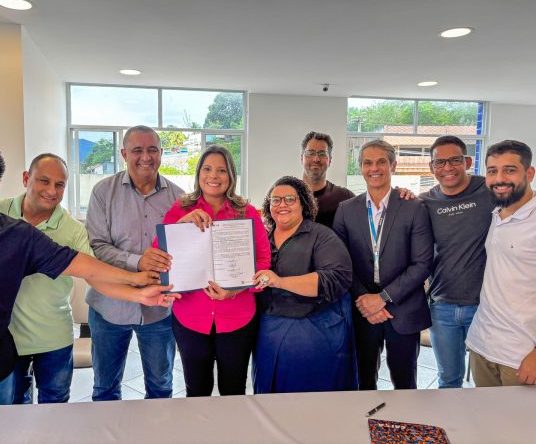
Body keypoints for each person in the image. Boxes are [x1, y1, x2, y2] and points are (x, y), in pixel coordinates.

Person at [0, 139, 176, 406]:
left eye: (59, 184)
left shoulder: (16, 232)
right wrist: (136, 274)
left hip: (15, 353)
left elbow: (88, 269)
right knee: (18, 405)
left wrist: (138, 286)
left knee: (48, 406)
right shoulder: (3, 213)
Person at [159, 145, 271, 396]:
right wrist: (180, 226)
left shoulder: (247, 213)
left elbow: (263, 260)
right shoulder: (181, 210)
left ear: (230, 175)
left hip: (238, 318)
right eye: (207, 169)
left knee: (233, 390)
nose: (213, 176)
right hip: (190, 318)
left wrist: (237, 289)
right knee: (197, 390)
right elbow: (160, 255)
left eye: (221, 170)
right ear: (198, 173)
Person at [85, 125, 184, 400]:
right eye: (137, 150)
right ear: (123, 153)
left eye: (152, 150)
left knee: (161, 386)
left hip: (159, 310)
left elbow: (185, 250)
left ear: (161, 153)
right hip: (109, 307)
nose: (146, 157)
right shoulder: (103, 192)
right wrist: (138, 262)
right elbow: (97, 247)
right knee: (105, 388)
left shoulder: (179, 198)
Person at [0, 153, 94, 404]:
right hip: (6, 338)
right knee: (13, 404)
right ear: (26, 178)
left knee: (55, 404)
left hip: (54, 336)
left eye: (59, 185)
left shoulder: (73, 229)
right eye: (44, 181)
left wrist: (138, 285)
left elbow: (94, 272)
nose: (51, 191)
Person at [333, 139, 433, 390]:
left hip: (404, 307)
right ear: (361, 168)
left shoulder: (414, 207)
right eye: (367, 163)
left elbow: (422, 263)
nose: (374, 168)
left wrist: (383, 298)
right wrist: (365, 299)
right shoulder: (346, 209)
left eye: (381, 162)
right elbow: (340, 263)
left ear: (393, 166)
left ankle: (405, 417)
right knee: (364, 381)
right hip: (363, 308)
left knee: (405, 383)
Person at [252, 176, 358, 393]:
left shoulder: (321, 236)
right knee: (270, 399)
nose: (282, 204)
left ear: (303, 203)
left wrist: (280, 281)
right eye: (276, 200)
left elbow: (337, 277)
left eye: (290, 199)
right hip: (268, 336)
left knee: (310, 399)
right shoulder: (262, 239)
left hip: (312, 334)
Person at [419, 136, 493, 388]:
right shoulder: (424, 202)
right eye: (440, 162)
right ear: (431, 167)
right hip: (442, 307)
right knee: (449, 380)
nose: (447, 167)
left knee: (489, 384)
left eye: (455, 160)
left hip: (485, 307)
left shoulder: (489, 190)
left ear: (467, 162)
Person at [466, 140, 536, 387]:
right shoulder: (496, 212)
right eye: (492, 171)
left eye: (510, 170)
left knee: (519, 415)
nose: (499, 179)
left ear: (529, 173)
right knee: (483, 411)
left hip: (521, 356)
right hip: (482, 345)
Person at [300, 131, 355, 228]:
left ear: (330, 160)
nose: (316, 159)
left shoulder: (345, 198)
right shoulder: (287, 197)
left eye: (322, 154)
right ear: (302, 158)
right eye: (310, 153)